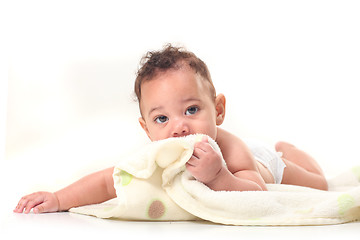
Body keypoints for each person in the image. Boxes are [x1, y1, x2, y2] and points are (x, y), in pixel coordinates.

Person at [14, 44, 328, 214]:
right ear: (147, 129)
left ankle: (288, 150)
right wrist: (58, 198)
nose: (179, 127)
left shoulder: (231, 147)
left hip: (266, 165)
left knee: (320, 186)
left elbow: (258, 191)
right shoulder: (157, 154)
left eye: (192, 110)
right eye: (161, 119)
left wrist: (219, 176)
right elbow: (108, 182)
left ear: (217, 110)